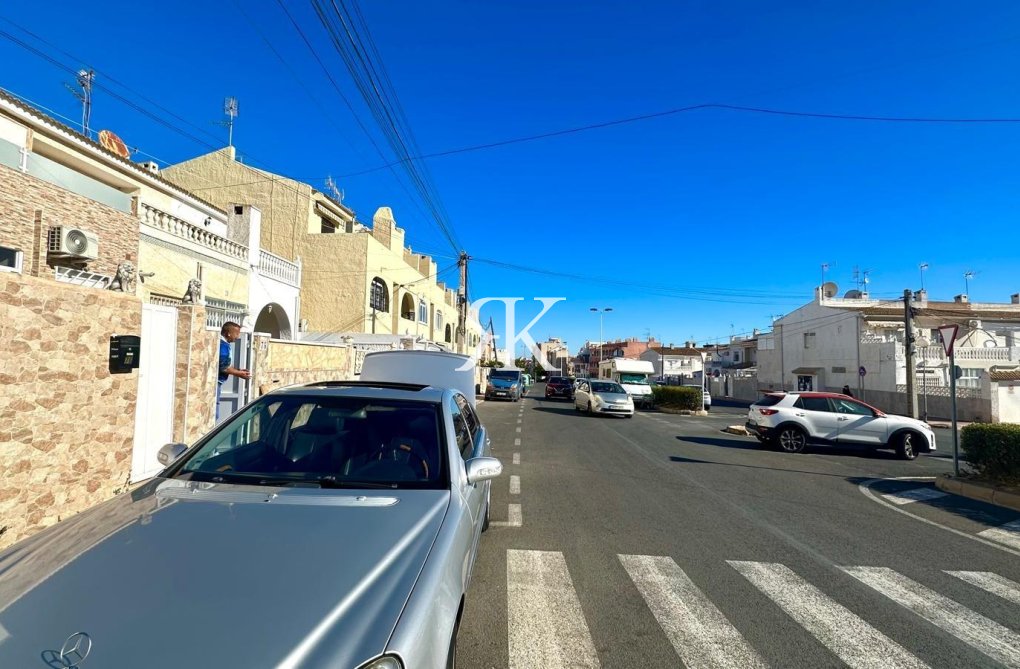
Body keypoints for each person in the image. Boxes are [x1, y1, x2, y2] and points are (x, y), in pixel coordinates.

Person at [217, 322, 251, 421]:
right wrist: (239, 373)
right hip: (217, 383)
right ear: (228, 333)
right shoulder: (222, 346)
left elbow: (226, 364)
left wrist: (238, 370)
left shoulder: (225, 344)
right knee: (215, 413)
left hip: (219, 382)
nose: (237, 337)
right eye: (236, 334)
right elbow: (223, 367)